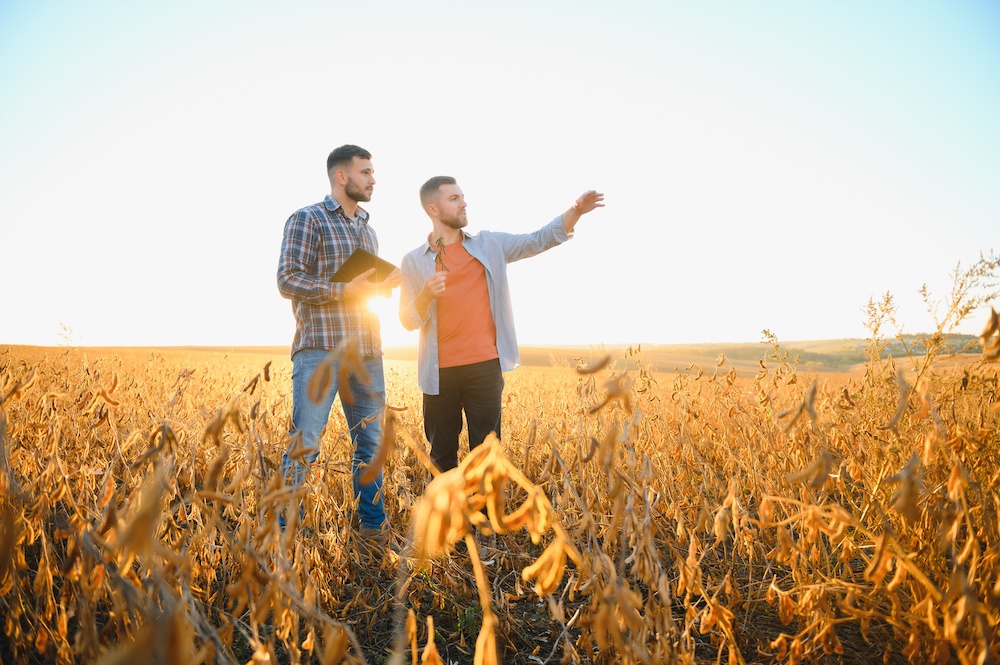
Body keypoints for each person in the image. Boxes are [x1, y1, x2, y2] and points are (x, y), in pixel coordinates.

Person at [398, 176, 604, 476]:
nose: (464, 202)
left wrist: (576, 210)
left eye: (462, 196)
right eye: (454, 198)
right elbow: (406, 320)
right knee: (441, 457)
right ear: (433, 208)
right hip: (437, 374)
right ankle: (449, 521)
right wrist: (425, 295)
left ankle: (484, 522)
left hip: (484, 368)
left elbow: (539, 239)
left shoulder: (490, 244)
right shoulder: (414, 261)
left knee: (486, 456)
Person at [276, 144, 401, 545]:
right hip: (321, 347)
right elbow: (287, 279)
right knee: (306, 442)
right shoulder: (307, 219)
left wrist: (385, 286)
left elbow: (366, 293)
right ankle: (281, 533)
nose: (373, 179)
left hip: (367, 351)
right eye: (365, 172)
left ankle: (373, 527)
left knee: (371, 443)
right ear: (341, 176)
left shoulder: (369, 229)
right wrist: (345, 289)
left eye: (373, 172)